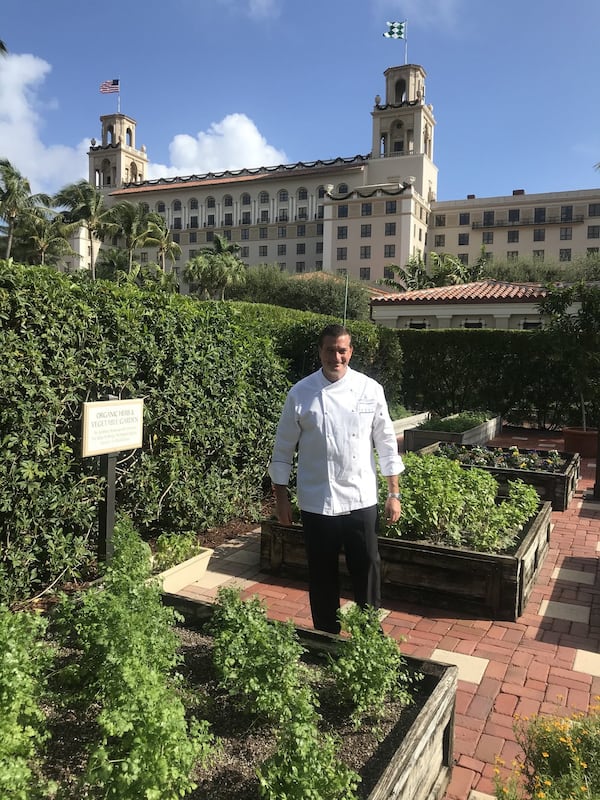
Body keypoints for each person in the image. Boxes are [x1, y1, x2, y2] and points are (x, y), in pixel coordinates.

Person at [268, 323, 404, 634]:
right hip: (318, 499)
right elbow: (282, 449)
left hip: (361, 497)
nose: (336, 357)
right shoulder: (301, 392)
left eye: (342, 350)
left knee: (368, 567)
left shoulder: (370, 389)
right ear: (320, 352)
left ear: (351, 352)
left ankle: (369, 633)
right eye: (330, 350)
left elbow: (385, 443)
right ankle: (326, 635)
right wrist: (281, 500)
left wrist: (393, 493)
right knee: (322, 573)